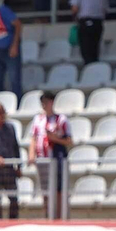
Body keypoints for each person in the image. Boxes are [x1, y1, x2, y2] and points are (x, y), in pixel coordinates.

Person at [29, 90, 72, 219]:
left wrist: (54, 139)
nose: (44, 105)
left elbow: (69, 141)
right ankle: (48, 215)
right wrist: (31, 154)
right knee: (45, 189)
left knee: (59, 188)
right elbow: (33, 137)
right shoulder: (38, 119)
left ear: (52, 102)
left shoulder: (61, 119)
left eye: (46, 102)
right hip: (43, 159)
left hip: (57, 158)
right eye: (42, 102)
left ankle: (59, 216)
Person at [71, 0, 107, 66]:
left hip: (85, 21)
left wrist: (74, 18)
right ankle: (95, 69)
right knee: (95, 50)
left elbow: (74, 8)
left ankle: (89, 70)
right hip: (98, 22)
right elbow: (105, 9)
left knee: (86, 51)